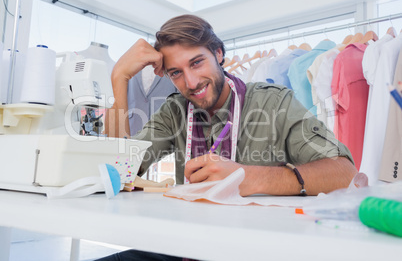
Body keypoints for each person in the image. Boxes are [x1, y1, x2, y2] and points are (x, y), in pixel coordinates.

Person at [100, 14, 357, 260]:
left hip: (256, 250)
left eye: (197, 62)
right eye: (176, 72)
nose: (190, 82)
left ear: (219, 54)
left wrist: (250, 178)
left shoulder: (274, 102)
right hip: (187, 246)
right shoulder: (174, 110)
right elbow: (117, 171)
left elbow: (345, 173)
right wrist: (119, 78)